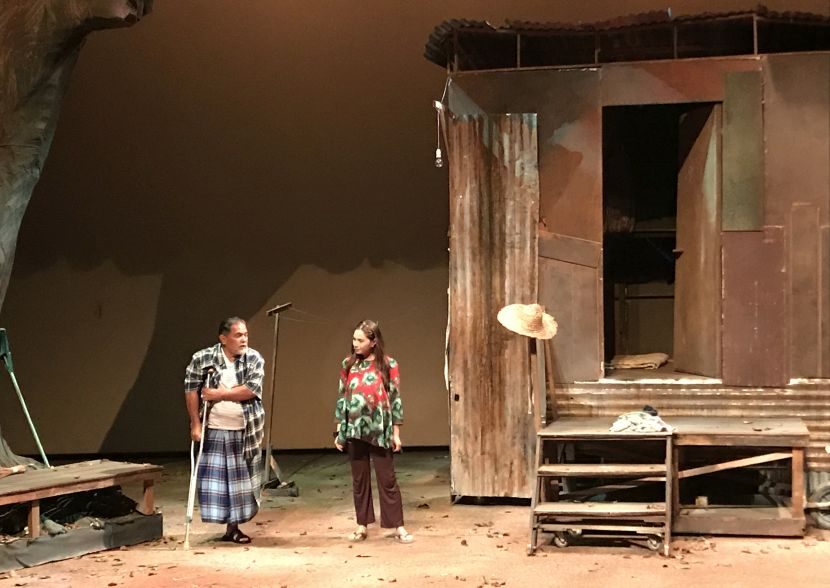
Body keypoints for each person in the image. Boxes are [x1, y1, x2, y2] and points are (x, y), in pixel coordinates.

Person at [184, 317, 265, 544]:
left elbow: (250, 390)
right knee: (219, 482)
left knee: (240, 484)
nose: (244, 339)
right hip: (215, 429)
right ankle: (228, 526)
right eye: (238, 335)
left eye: (246, 334)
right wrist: (195, 423)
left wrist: (218, 393)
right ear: (223, 338)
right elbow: (191, 389)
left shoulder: (253, 358)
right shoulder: (203, 358)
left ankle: (234, 528)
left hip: (245, 431)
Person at [334, 319, 413, 543]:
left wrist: (396, 433)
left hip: (379, 430)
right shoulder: (348, 364)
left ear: (373, 341)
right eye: (354, 339)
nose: (355, 344)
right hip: (354, 430)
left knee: (387, 479)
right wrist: (339, 430)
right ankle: (362, 525)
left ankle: (398, 526)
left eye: (360, 340)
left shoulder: (388, 364)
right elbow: (342, 398)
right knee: (359, 481)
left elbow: (395, 400)